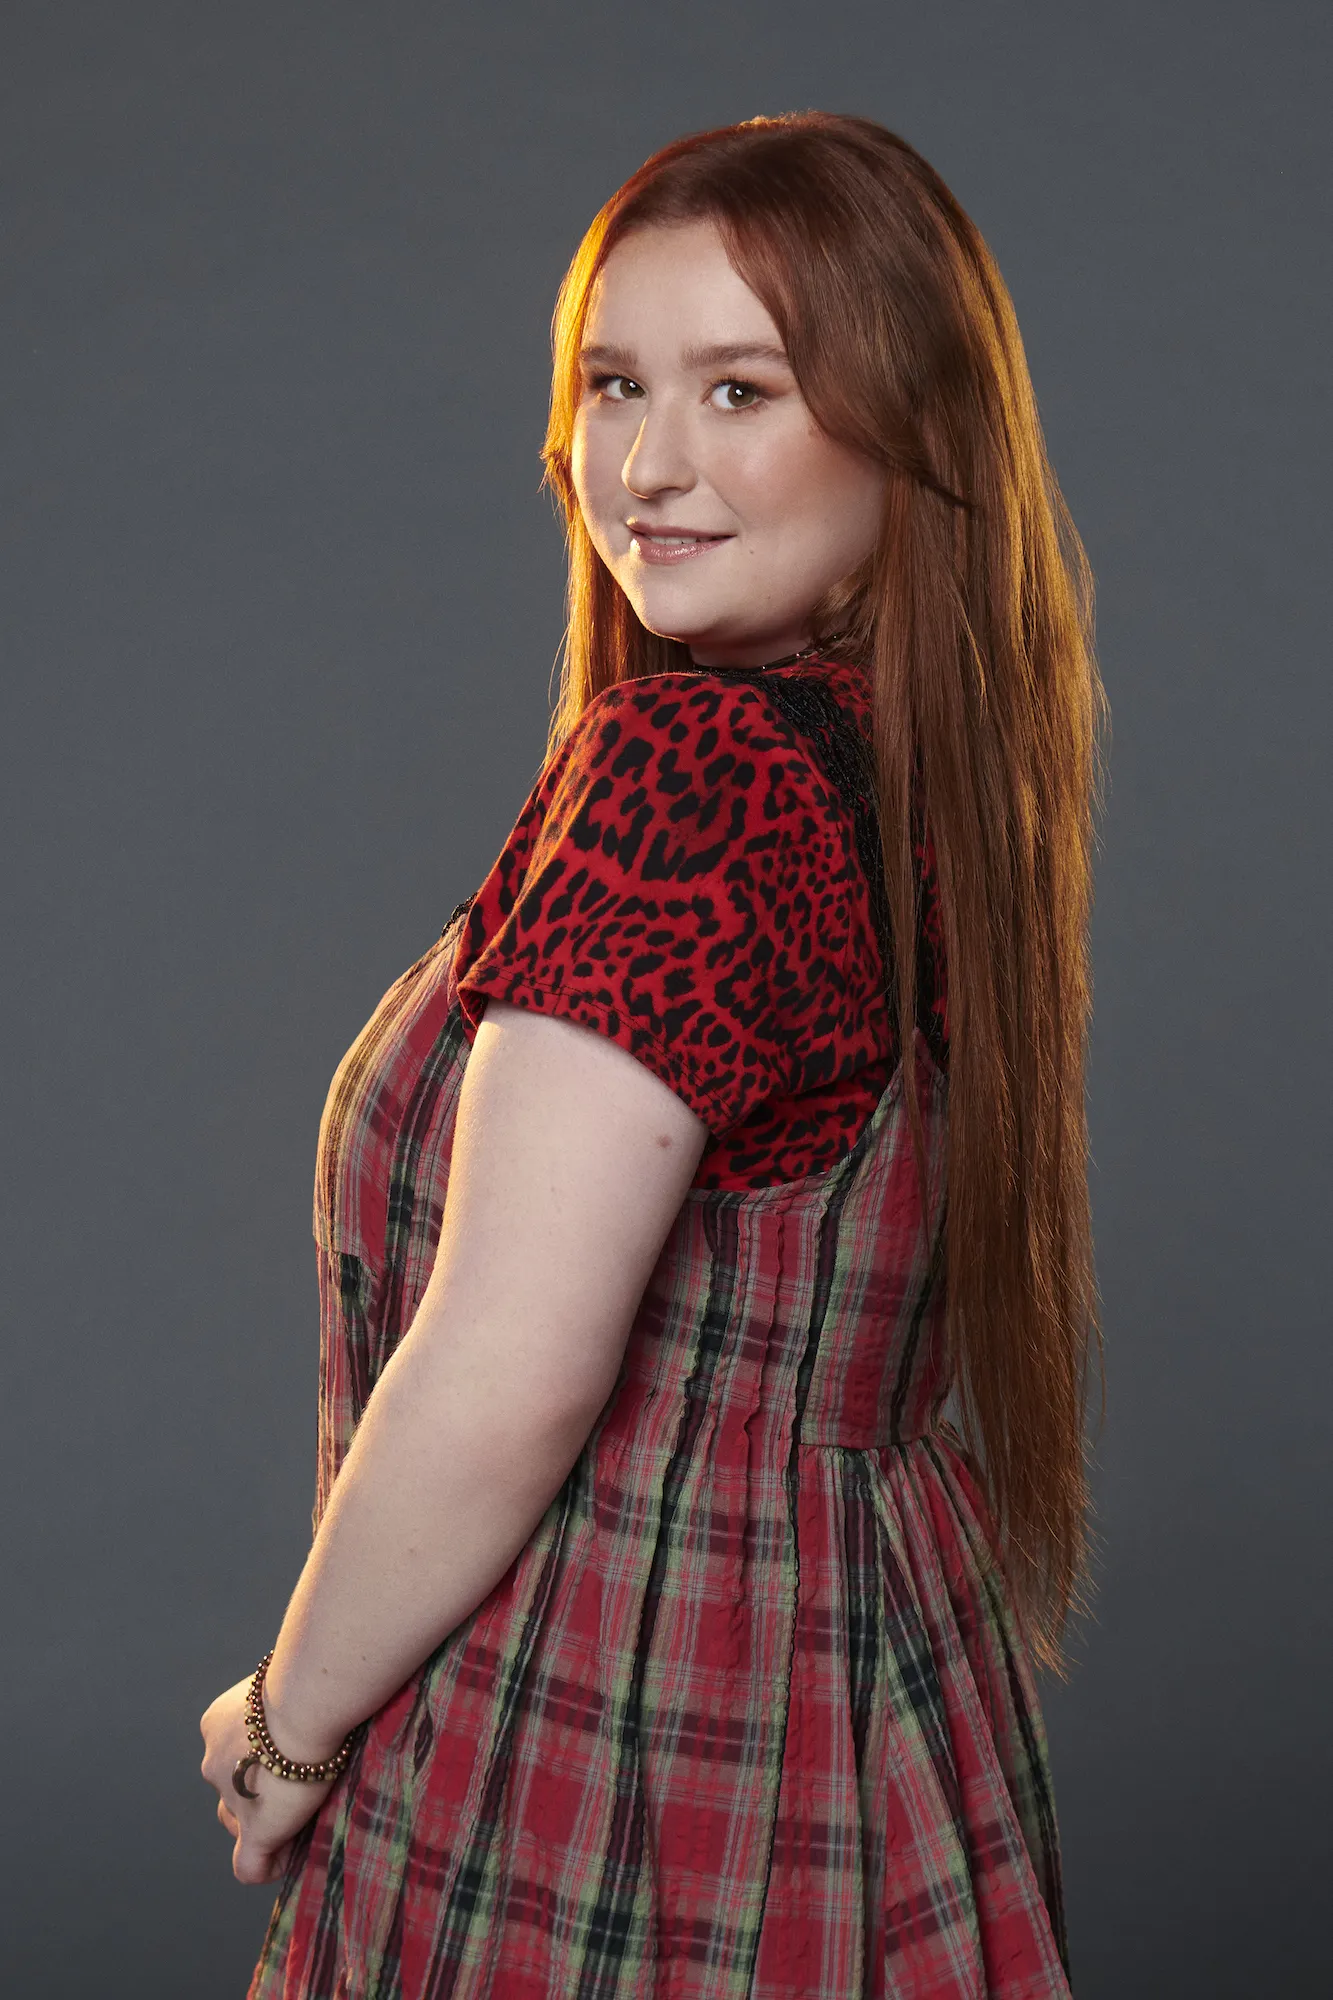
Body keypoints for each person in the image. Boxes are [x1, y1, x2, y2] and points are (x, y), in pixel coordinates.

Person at [201, 111, 1103, 1999]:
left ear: (909, 429)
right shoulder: (920, 782)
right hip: (866, 1693)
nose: (650, 462)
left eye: (739, 390)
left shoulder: (696, 776)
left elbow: (508, 1368)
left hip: (615, 1710)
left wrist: (287, 1723)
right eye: (614, 383)